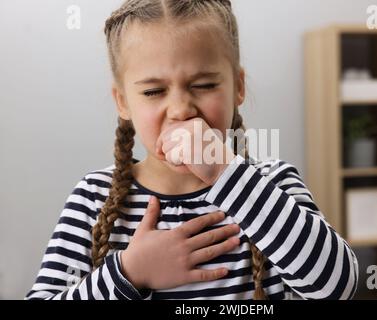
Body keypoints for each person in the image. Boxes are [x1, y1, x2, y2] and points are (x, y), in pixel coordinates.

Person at [26, 0, 358, 300]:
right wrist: (129, 273)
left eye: (203, 85)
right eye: (154, 91)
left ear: (238, 87)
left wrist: (223, 171)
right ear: (123, 102)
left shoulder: (271, 182)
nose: (181, 110)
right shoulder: (93, 197)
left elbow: (337, 286)